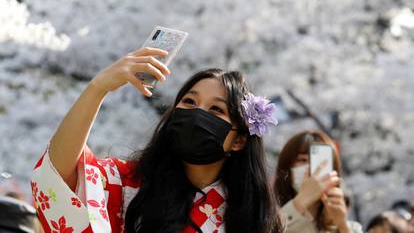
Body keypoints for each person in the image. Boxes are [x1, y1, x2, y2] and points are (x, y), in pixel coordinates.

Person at [31, 47, 283, 233]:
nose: (197, 114)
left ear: (239, 140)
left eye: (216, 110)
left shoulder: (250, 216)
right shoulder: (130, 182)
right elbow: (58, 175)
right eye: (189, 102)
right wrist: (98, 88)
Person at [273, 130, 362, 233]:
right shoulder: (266, 220)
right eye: (303, 160)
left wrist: (342, 225)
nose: (312, 169)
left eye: (320, 162)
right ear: (286, 168)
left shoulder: (351, 228)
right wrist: (299, 202)